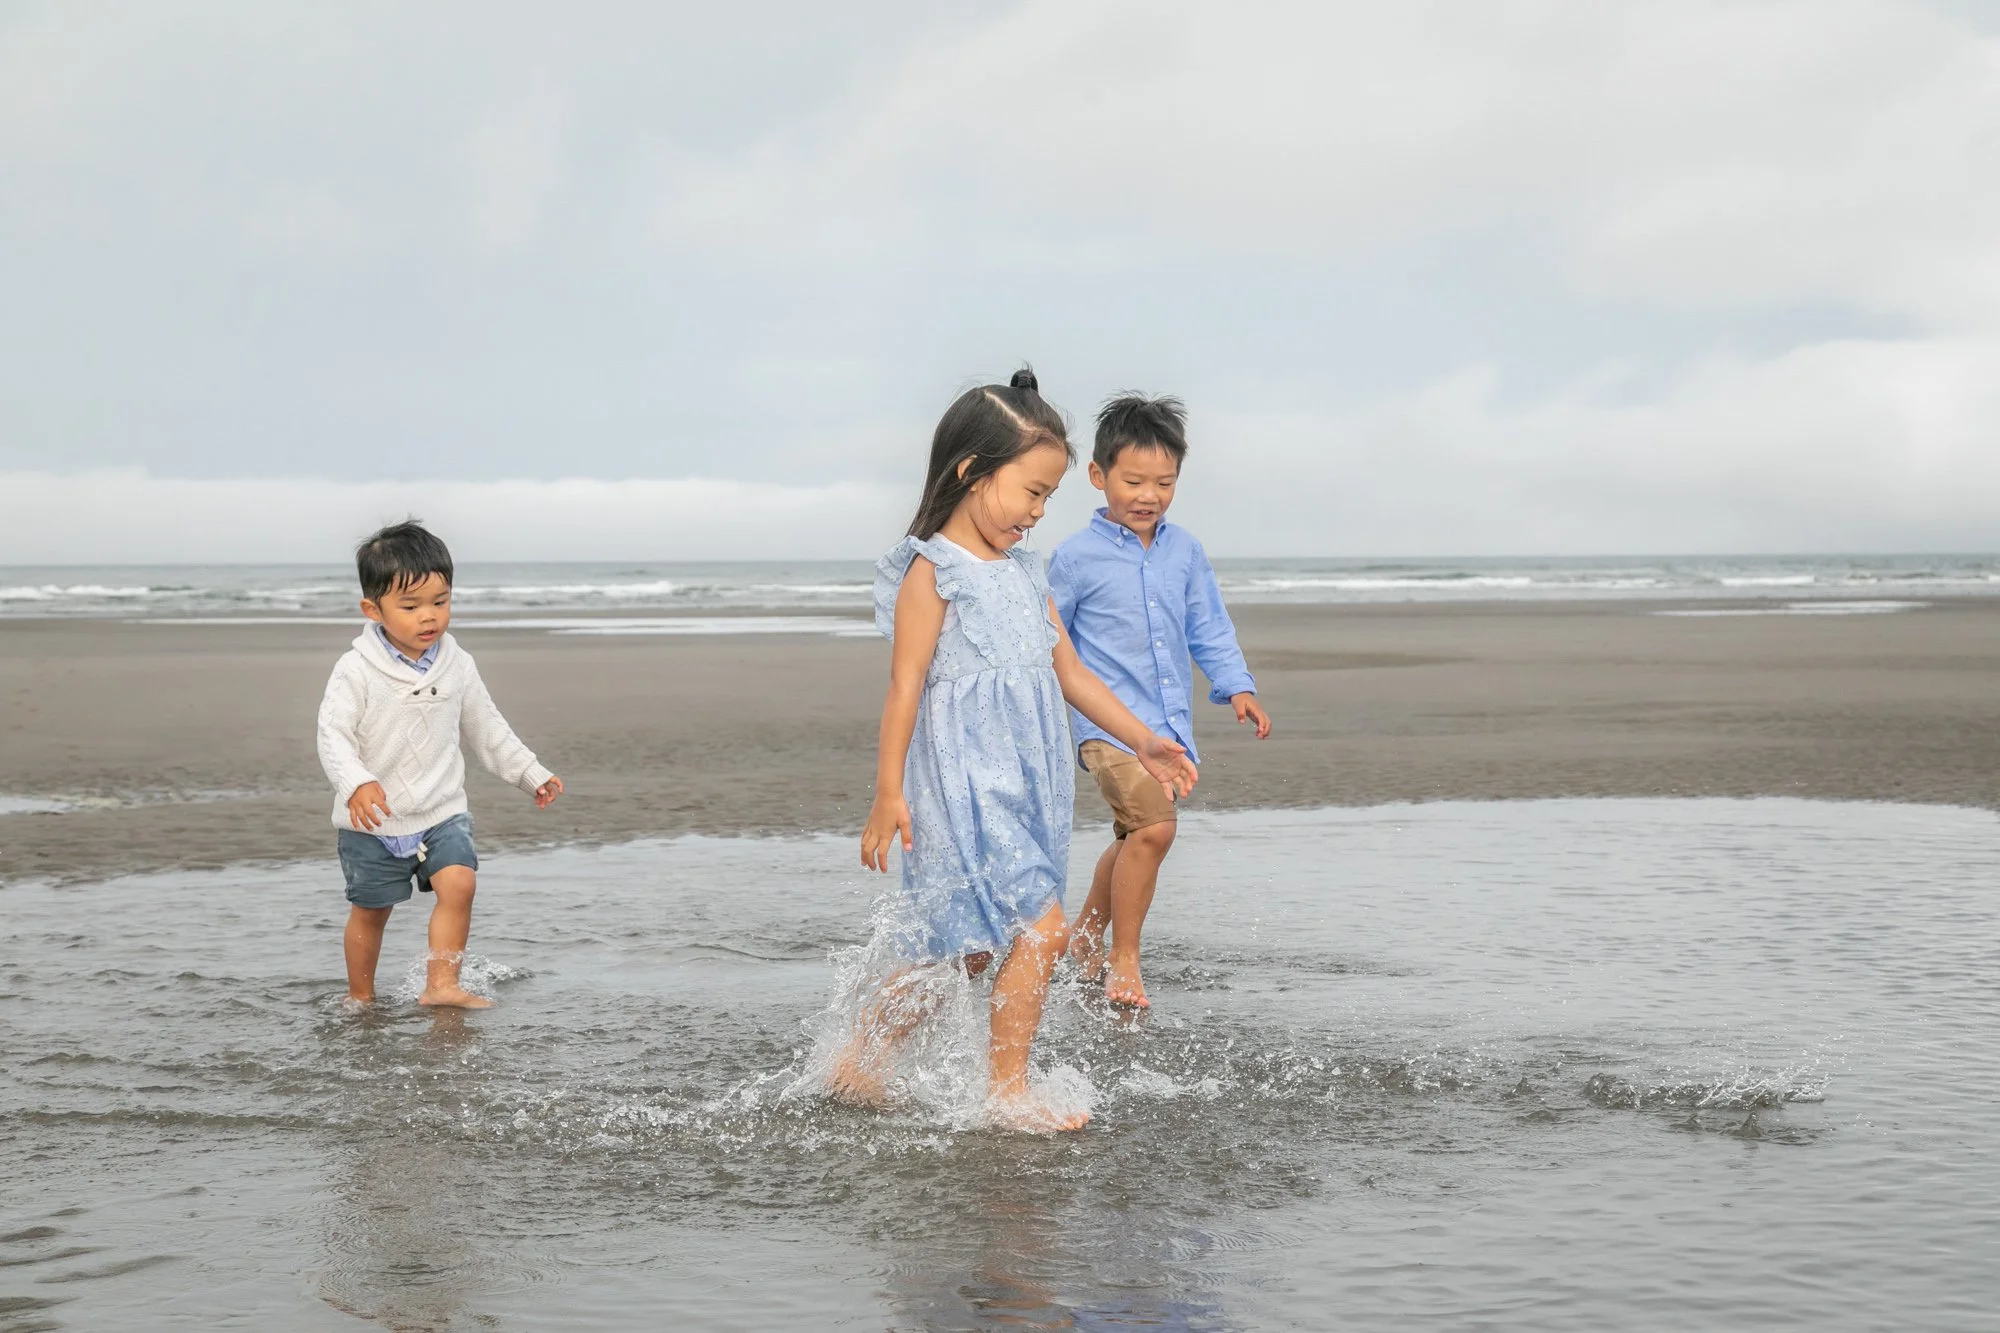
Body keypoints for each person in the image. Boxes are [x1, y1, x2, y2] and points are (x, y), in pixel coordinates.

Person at [834, 369, 1198, 1132]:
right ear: (971, 473)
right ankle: (1007, 1091)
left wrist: (1142, 738)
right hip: (965, 786)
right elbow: (904, 688)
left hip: (1028, 782)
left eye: (1046, 498)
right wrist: (887, 791)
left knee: (961, 950)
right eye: (1030, 492)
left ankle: (859, 1059)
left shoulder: (1028, 573)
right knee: (1042, 926)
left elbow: (1069, 671)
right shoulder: (934, 573)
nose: (1037, 514)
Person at [1049, 395, 1271, 1010]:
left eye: (1164, 482)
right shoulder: (1073, 558)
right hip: (1102, 727)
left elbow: (1209, 626)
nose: (1149, 494)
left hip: (1166, 728)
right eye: (1133, 480)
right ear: (1098, 477)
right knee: (1155, 827)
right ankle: (1124, 959)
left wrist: (1238, 687)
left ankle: (1086, 943)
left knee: (1130, 836)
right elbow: (1045, 640)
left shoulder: (1186, 552)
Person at [316, 520, 563, 1008]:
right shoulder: (356, 669)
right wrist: (356, 782)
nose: (428, 617)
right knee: (371, 910)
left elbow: (486, 726)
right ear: (373, 609)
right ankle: (360, 996)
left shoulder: (457, 662)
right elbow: (333, 734)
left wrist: (528, 772)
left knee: (460, 884)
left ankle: (442, 985)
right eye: (410, 607)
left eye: (440, 602)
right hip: (375, 817)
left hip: (441, 807)